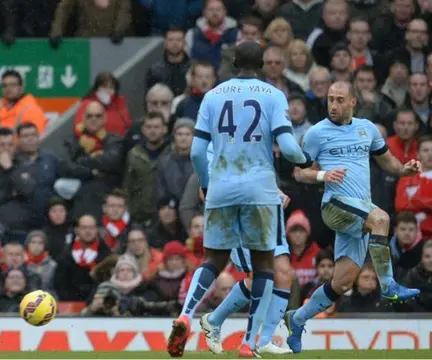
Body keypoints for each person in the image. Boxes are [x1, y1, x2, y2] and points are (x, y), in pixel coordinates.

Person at [168, 41, 309, 358]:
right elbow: (287, 147)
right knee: (263, 266)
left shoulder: (212, 96)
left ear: (232, 62)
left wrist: (207, 185)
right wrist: (304, 160)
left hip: (221, 187)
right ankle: (247, 343)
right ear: (261, 63)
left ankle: (185, 316)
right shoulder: (273, 95)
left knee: (212, 260)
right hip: (259, 188)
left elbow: (195, 152)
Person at [287, 81, 422, 354]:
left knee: (343, 282)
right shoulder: (316, 133)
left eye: (339, 100)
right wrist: (323, 175)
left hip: (360, 211)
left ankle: (297, 318)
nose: (333, 105)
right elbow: (299, 173)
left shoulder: (367, 129)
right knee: (382, 219)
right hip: (335, 206)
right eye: (330, 100)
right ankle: (389, 286)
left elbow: (387, 161)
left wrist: (405, 170)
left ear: (352, 102)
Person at [199, 144, 293, 355]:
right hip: (240, 217)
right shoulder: (216, 141)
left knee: (284, 274)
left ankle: (266, 339)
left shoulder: (255, 134)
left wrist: (277, 193)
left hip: (267, 215)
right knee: (257, 277)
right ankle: (214, 320)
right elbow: (206, 189)